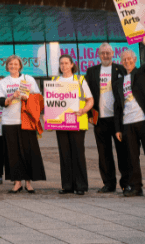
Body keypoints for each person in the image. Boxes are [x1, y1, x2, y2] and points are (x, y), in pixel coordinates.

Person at [113, 39, 145, 199]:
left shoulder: (143, 72)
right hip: (127, 123)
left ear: (135, 60)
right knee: (132, 157)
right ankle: (136, 187)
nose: (127, 61)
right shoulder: (119, 82)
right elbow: (118, 106)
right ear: (121, 62)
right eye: (124, 59)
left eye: (130, 59)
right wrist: (118, 128)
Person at [0, 55, 46, 193]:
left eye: (16, 64)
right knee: (13, 153)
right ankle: (17, 182)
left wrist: (27, 97)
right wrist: (13, 97)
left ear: (20, 66)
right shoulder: (4, 82)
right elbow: (1, 102)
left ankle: (28, 183)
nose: (13, 66)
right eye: (10, 64)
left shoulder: (28, 79)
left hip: (26, 120)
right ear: (7, 66)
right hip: (9, 121)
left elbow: (38, 99)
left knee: (28, 151)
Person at [84, 42, 129, 193]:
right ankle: (108, 183)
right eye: (103, 53)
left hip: (117, 119)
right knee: (103, 153)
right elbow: (86, 94)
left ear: (112, 54)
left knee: (122, 151)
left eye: (108, 53)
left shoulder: (121, 69)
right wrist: (89, 115)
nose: (105, 55)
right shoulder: (91, 72)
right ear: (99, 54)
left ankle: (125, 183)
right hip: (100, 119)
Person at [51, 55, 93, 195]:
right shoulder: (54, 80)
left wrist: (83, 110)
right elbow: (52, 101)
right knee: (64, 154)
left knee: (78, 154)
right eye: (61, 63)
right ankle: (67, 186)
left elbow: (90, 100)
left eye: (66, 63)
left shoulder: (80, 80)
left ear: (72, 64)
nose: (64, 66)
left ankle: (80, 186)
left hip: (77, 121)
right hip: (61, 122)